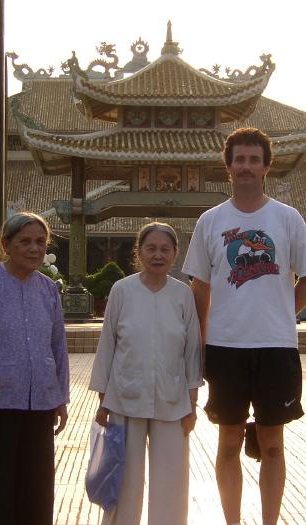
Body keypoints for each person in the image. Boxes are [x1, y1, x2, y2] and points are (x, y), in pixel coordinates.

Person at [182, 128, 306, 525]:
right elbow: (200, 286)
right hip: (226, 348)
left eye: (253, 160)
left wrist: (283, 313)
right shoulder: (211, 222)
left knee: (272, 442)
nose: (246, 166)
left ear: (266, 167)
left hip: (276, 349)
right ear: (228, 168)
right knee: (228, 441)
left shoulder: (286, 218)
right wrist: (203, 340)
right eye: (239, 160)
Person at [89, 222, 203, 525]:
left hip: (173, 398)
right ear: (138, 253)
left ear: (175, 255)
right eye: (150, 248)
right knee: (125, 479)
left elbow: (192, 348)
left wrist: (193, 399)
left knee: (172, 480)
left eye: (165, 249)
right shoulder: (122, 290)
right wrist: (103, 398)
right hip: (126, 397)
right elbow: (108, 345)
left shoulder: (183, 295)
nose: (158, 255)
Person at [0, 212, 69, 525]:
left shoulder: (49, 289)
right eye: (25, 242)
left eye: (40, 242)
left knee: (36, 491)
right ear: (7, 244)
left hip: (40, 404)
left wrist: (60, 397)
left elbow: (57, 346)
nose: (35, 248)